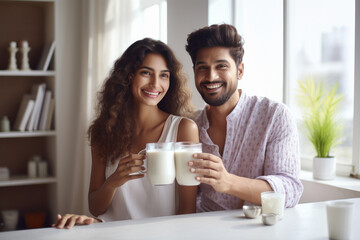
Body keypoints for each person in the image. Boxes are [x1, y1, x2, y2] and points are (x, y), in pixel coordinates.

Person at [53, 38, 199, 229]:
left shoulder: (183, 129)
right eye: (146, 73)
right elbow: (95, 208)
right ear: (129, 76)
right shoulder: (104, 131)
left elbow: (187, 211)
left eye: (164, 75)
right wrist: (113, 181)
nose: (156, 84)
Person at [185, 24, 303, 212]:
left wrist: (228, 182)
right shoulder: (191, 125)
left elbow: (290, 189)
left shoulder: (274, 116)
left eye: (221, 66)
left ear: (240, 70)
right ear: (194, 71)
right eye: (202, 68)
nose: (210, 76)